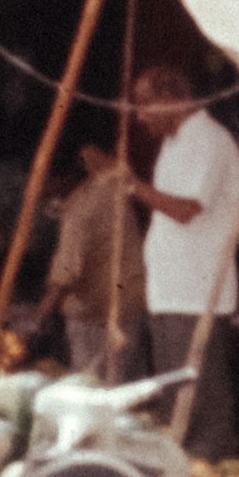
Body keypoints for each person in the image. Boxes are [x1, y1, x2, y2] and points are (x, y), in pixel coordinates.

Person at [126, 65, 239, 459]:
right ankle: (186, 473)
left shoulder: (207, 140)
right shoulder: (176, 142)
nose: (139, 116)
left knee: (199, 401)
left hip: (197, 293)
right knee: (176, 398)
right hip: (172, 291)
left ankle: (209, 475)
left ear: (173, 101)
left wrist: (132, 185)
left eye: (146, 106)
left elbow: (186, 210)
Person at [43, 132, 142, 378]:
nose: (44, 188)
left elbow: (66, 274)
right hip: (130, 306)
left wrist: (40, 316)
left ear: (61, 178)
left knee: (92, 388)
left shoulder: (80, 210)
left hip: (97, 315)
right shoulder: (106, 188)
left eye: (47, 181)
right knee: (122, 384)